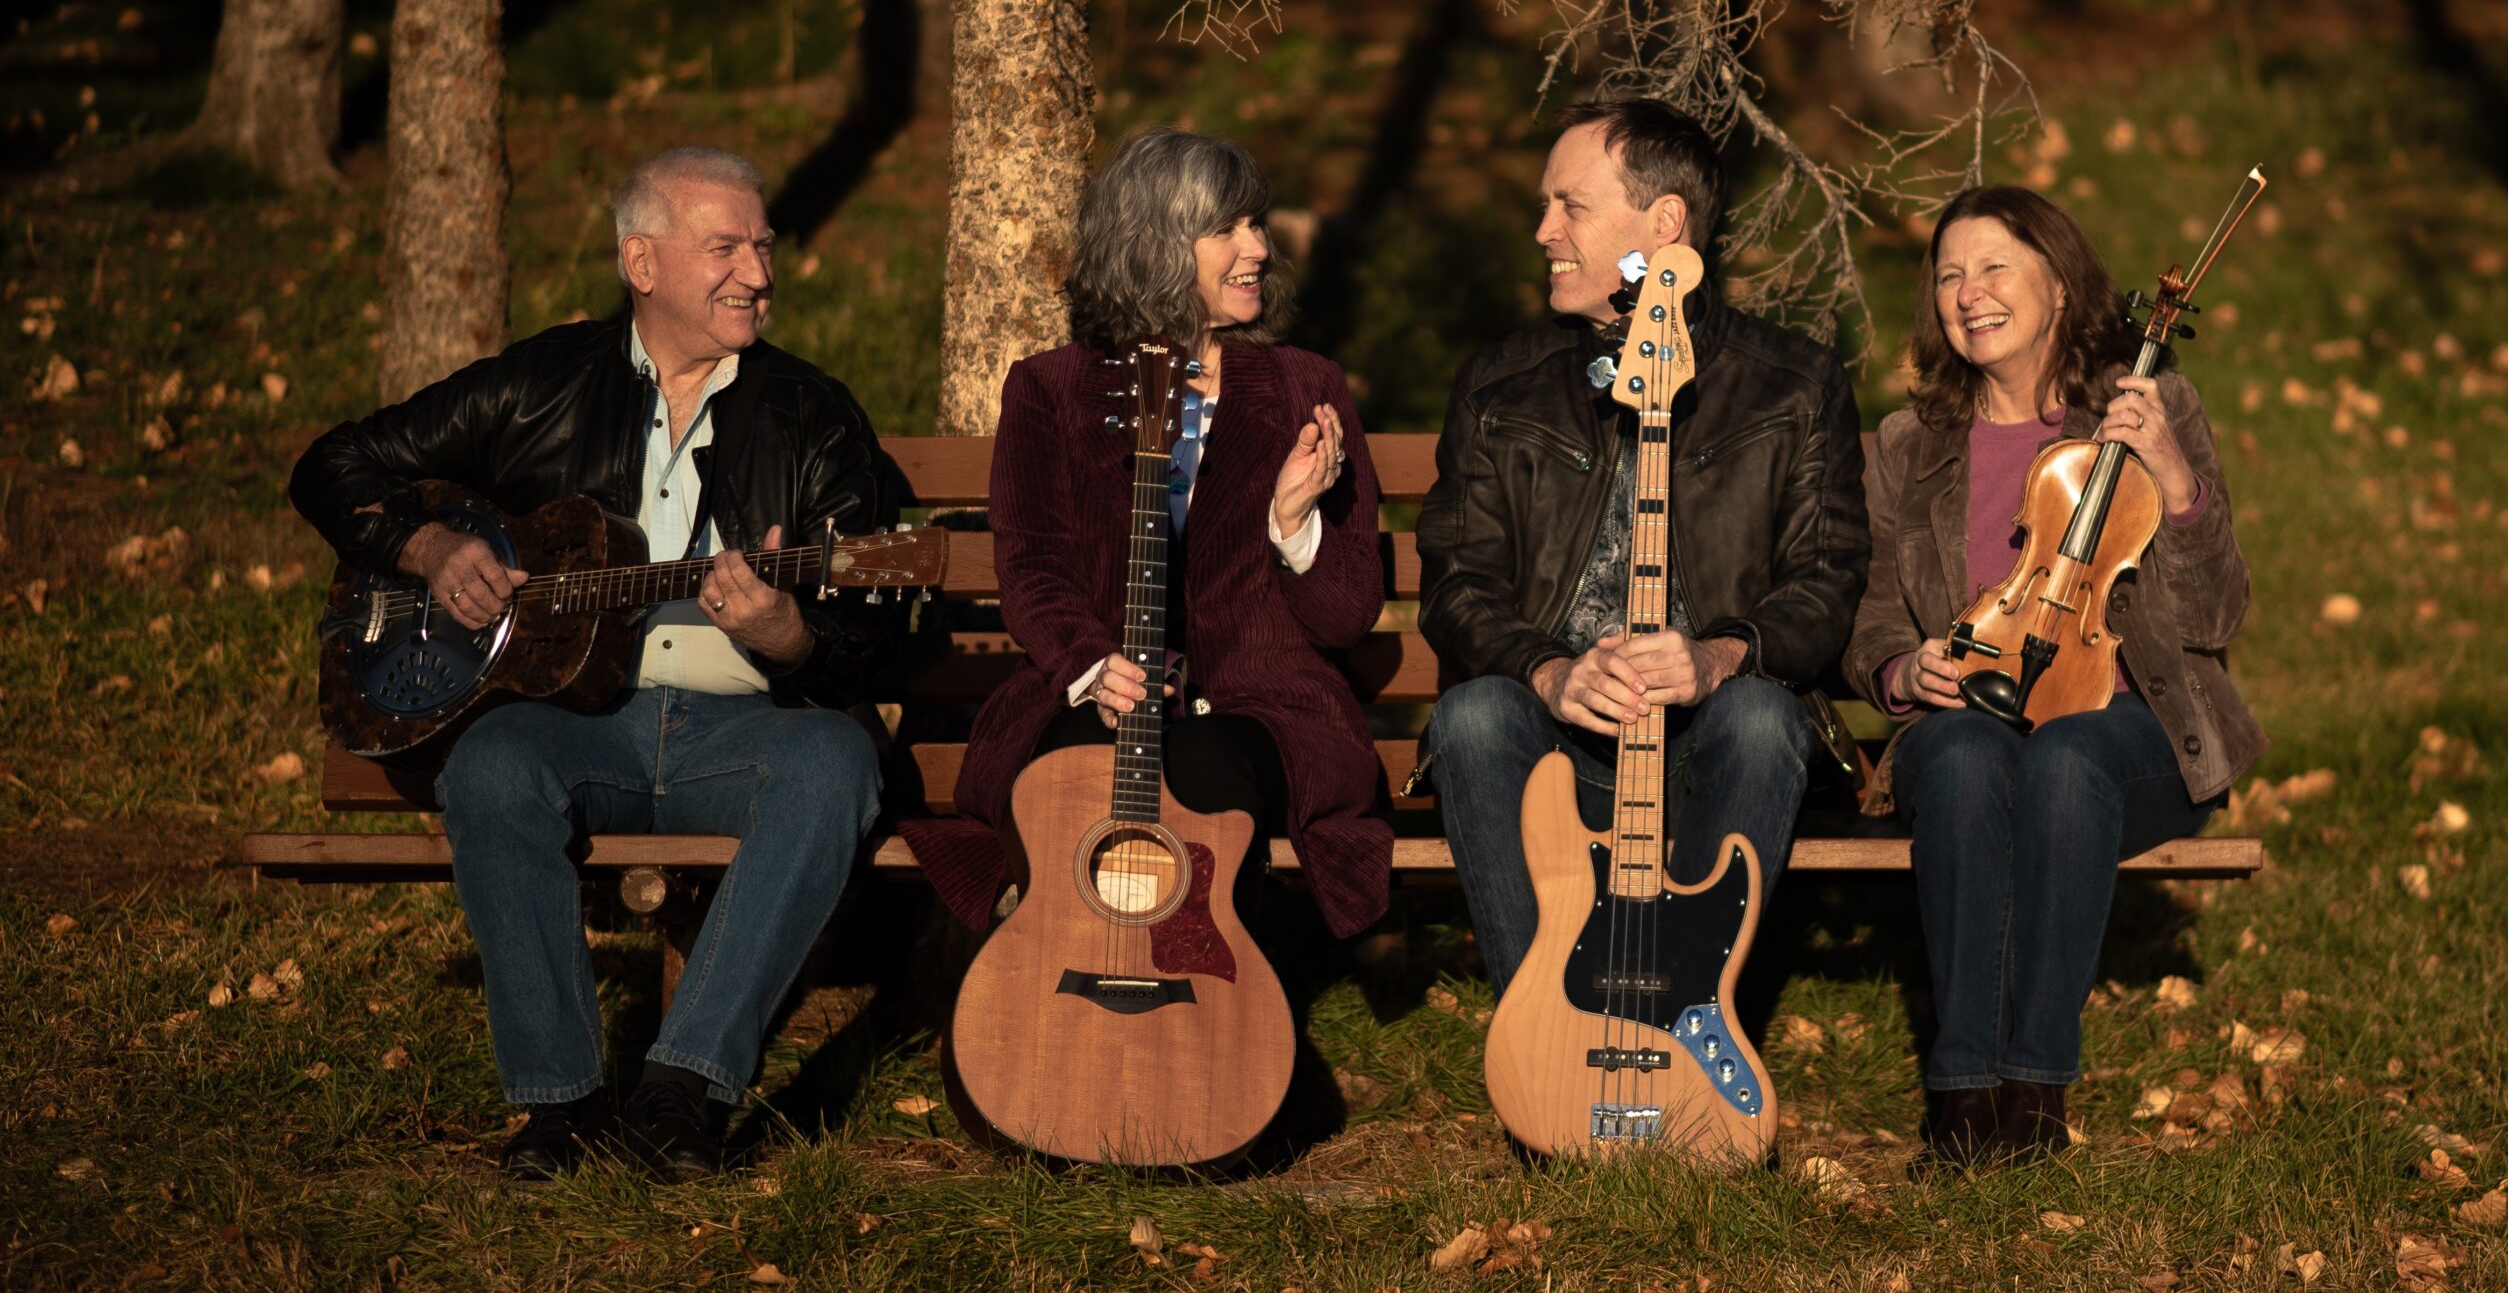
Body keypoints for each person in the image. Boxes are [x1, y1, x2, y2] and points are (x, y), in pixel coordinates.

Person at [291, 147, 898, 1182]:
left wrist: (787, 634)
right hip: (582, 720)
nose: (757, 271)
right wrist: (428, 547)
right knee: (490, 766)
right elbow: (333, 465)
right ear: (641, 261)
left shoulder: (812, 414)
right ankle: (559, 1106)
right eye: (726, 247)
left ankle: (684, 1089)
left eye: (763, 245)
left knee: (837, 765)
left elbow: (882, 630)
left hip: (743, 733)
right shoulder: (542, 386)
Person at [1844, 185, 2263, 1166]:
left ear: (2060, 283)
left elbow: (2216, 615)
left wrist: (2173, 478)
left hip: (2134, 729)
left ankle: (2033, 1092)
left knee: (2066, 757)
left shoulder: (2149, 408)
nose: (1967, 291)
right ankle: (1960, 1095)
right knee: (1955, 756)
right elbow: (1867, 624)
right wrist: (1910, 669)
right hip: (1975, 714)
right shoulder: (1908, 447)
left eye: (1993, 265)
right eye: (1948, 273)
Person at [1417, 99, 1870, 996]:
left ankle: (1686, 1022)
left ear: (1663, 224)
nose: (1543, 230)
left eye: (1570, 205)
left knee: (1762, 716)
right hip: (1562, 739)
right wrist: (1550, 672)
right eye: (1546, 205)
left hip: (1709, 742)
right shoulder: (1502, 385)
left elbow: (1826, 580)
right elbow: (1456, 584)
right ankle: (1547, 1035)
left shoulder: (1795, 383)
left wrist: (1716, 657)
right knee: (1470, 719)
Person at [906, 127, 1391, 946]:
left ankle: (1216, 1012)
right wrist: (1092, 666)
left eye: (1257, 224)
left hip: (1266, 707)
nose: (1259, 249)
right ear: (1155, 245)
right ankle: (1052, 1009)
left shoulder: (1306, 387)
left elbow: (1348, 616)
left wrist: (1293, 523)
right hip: (1094, 688)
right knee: (1064, 776)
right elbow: (1029, 562)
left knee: (1203, 769)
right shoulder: (1050, 389)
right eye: (1228, 229)